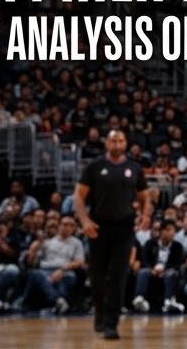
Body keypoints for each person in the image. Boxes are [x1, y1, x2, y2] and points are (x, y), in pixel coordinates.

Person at [75, 129, 151, 340]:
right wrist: (84, 221)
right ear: (106, 143)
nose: (117, 144)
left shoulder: (134, 168)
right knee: (97, 276)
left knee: (118, 276)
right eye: (113, 141)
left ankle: (112, 323)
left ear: (125, 143)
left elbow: (145, 196)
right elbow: (79, 197)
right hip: (98, 228)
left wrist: (145, 216)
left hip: (124, 229)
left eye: (120, 141)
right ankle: (100, 312)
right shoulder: (94, 167)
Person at [21, 216, 85, 315]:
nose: (68, 227)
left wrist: (62, 270)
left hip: (65, 270)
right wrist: (34, 248)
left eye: (71, 225)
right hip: (45, 270)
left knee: (67, 277)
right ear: (59, 226)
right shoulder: (48, 242)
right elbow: (32, 262)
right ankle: (58, 301)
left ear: (74, 228)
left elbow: (79, 262)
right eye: (65, 224)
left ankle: (56, 303)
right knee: (35, 274)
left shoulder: (76, 243)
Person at [132, 219, 184, 315]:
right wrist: (152, 269)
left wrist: (164, 270)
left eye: (173, 231)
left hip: (167, 271)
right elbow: (144, 260)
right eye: (168, 230)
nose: (172, 233)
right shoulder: (150, 243)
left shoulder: (178, 246)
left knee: (171, 274)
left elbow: (177, 264)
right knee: (143, 272)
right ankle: (139, 298)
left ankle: (168, 301)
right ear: (161, 231)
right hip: (152, 270)